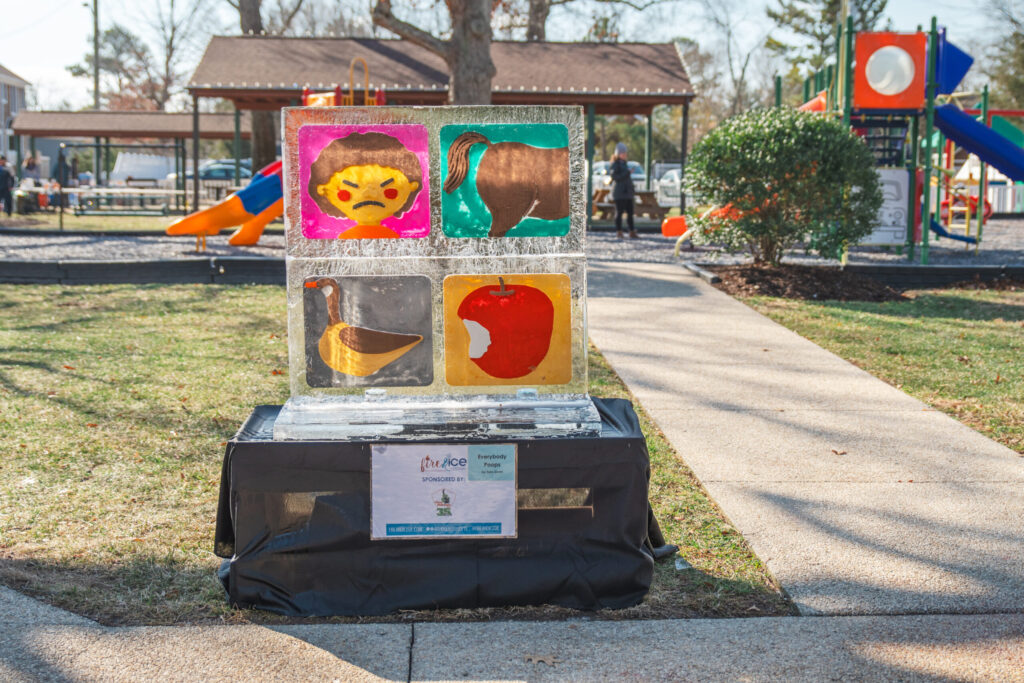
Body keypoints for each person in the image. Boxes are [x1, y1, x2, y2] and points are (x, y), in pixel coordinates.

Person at [308, 132, 423, 239]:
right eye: (347, 193)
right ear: (323, 190)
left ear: (411, 186)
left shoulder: (393, 237)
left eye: (390, 192)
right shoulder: (346, 238)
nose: (369, 194)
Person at [610, 142, 637, 239]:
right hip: (619, 193)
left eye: (625, 153)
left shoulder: (625, 164)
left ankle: (632, 231)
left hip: (628, 193)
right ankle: (619, 231)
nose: (625, 155)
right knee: (619, 212)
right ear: (618, 154)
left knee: (630, 212)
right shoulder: (615, 165)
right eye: (622, 153)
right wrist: (627, 173)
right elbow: (615, 177)